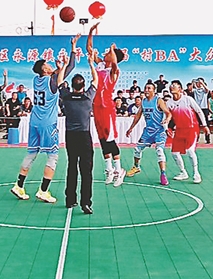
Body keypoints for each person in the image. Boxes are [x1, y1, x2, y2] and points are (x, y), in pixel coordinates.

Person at [11, 35, 78, 204]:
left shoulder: (36, 79)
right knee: (53, 156)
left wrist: (58, 69)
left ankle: (19, 186)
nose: (49, 65)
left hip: (34, 121)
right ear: (44, 70)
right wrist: (72, 48)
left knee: (31, 153)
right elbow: (71, 66)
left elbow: (56, 74)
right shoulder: (52, 81)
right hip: (48, 124)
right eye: (47, 64)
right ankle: (43, 191)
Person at [86, 23, 127, 187]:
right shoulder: (100, 65)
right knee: (102, 140)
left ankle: (119, 170)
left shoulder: (114, 71)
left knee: (110, 140)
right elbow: (89, 48)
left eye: (108, 53)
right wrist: (90, 32)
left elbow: (115, 63)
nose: (105, 54)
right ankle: (109, 170)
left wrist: (112, 51)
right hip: (96, 107)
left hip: (107, 108)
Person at [60, 53, 97, 214]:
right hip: (84, 136)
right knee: (86, 170)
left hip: (70, 136)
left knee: (72, 167)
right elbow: (95, 81)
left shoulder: (66, 97)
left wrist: (63, 66)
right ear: (83, 86)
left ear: (72, 85)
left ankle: (70, 199)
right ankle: (86, 203)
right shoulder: (88, 98)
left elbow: (59, 82)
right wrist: (91, 64)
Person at [125, 82, 171, 184]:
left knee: (159, 150)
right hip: (148, 131)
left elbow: (168, 113)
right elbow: (138, 116)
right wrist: (131, 128)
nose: (146, 90)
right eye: (145, 88)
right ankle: (136, 167)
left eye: (149, 88)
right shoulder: (144, 102)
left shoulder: (158, 101)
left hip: (159, 131)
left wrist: (167, 120)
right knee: (137, 149)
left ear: (154, 90)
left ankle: (163, 174)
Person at [165, 80, 208, 184]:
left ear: (180, 89)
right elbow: (165, 117)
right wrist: (166, 128)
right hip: (179, 130)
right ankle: (183, 172)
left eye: (174, 86)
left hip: (192, 129)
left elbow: (199, 111)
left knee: (190, 151)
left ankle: (196, 173)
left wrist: (204, 125)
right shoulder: (169, 103)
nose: (172, 87)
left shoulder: (188, 99)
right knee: (174, 153)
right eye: (171, 86)